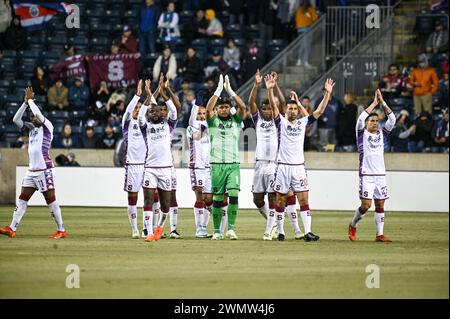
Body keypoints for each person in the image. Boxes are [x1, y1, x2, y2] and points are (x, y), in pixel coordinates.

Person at [0, 87, 67, 239]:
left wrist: (30, 100)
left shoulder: (47, 126)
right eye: (31, 117)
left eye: (35, 116)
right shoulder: (31, 130)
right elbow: (15, 120)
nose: (33, 118)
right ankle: (12, 228)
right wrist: (24, 104)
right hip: (32, 171)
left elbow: (37, 113)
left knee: (51, 200)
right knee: (22, 199)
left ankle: (61, 230)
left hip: (45, 170)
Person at [273, 78, 335, 242]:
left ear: (298, 111)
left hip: (298, 167)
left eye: (295, 108)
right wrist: (271, 90)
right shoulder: (281, 122)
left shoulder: (302, 122)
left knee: (304, 200)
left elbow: (319, 111)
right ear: (285, 111)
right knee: (280, 199)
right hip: (283, 167)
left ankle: (307, 232)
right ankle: (280, 232)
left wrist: (327, 93)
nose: (292, 111)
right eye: (290, 108)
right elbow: (273, 107)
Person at [249, 71, 304, 241]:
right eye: (264, 108)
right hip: (259, 164)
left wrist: (275, 87)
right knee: (257, 200)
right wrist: (256, 85)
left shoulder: (278, 121)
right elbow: (250, 102)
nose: (267, 111)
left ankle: (269, 230)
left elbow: (281, 103)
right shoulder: (257, 119)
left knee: (273, 197)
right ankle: (272, 223)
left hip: (274, 164)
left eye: (269, 108)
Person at [348, 89, 396, 242]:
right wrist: (374, 103)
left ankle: (379, 234)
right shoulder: (361, 134)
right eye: (372, 121)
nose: (375, 123)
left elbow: (392, 119)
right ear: (367, 123)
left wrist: (382, 103)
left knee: (380, 204)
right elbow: (360, 118)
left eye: (376, 121)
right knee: (366, 205)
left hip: (380, 174)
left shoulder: (382, 134)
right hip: (367, 174)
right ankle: (353, 224)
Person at [206, 74, 246, 240]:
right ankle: (216, 231)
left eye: (226, 107)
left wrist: (230, 90)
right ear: (217, 109)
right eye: (220, 107)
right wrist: (218, 89)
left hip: (233, 165)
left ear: (230, 108)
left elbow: (243, 108)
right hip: (216, 165)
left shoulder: (236, 121)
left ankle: (230, 229)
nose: (223, 109)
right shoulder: (212, 121)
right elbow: (208, 110)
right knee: (217, 200)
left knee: (234, 195)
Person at [138, 80, 178, 242]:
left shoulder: (169, 125)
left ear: (162, 113)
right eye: (151, 111)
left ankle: (159, 227)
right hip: (150, 169)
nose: (154, 113)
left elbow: (174, 110)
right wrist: (148, 95)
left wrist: (163, 92)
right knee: (148, 199)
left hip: (166, 169)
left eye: (157, 111)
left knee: (165, 204)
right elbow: (141, 114)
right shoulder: (145, 126)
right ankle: (148, 232)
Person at [122, 80, 147, 239]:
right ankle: (134, 229)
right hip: (132, 165)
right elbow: (127, 112)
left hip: (147, 165)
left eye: (140, 108)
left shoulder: (147, 124)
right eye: (135, 108)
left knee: (151, 197)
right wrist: (137, 96)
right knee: (132, 198)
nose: (137, 110)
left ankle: (147, 227)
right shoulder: (127, 124)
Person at [187, 95, 213, 238]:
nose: (202, 116)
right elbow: (196, 136)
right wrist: (196, 105)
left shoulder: (210, 126)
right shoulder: (190, 128)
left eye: (204, 114)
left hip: (209, 168)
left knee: (209, 199)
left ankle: (204, 227)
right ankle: (199, 229)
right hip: (196, 167)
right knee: (200, 197)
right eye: (199, 114)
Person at [294, 0, 317, 69]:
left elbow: (296, 20)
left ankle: (299, 60)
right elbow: (315, 19)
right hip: (307, 29)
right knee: (307, 45)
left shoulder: (298, 9)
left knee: (302, 45)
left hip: (300, 29)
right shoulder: (310, 9)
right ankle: (305, 61)